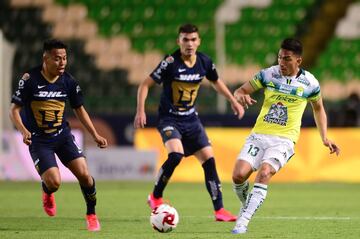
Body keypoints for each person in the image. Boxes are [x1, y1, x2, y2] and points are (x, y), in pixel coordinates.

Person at [134, 23, 245, 222]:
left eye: (193, 39)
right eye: (185, 39)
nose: (190, 44)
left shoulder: (204, 61)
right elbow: (145, 85)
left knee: (209, 161)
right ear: (179, 41)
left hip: (192, 120)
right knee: (176, 154)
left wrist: (233, 100)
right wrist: (140, 110)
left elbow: (216, 82)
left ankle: (219, 211)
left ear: (199, 41)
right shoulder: (170, 62)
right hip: (170, 119)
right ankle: (155, 196)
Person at [231, 38, 340, 234]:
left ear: (298, 60)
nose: (281, 62)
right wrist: (242, 96)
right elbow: (239, 91)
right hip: (259, 135)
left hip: (284, 140)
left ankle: (243, 222)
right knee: (238, 175)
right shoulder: (268, 74)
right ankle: (245, 204)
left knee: (264, 173)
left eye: (286, 59)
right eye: (280, 57)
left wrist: (324, 137)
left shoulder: (310, 83)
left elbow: (319, 109)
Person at [9, 39, 108, 232]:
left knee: (85, 176)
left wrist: (95, 134)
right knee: (54, 182)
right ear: (45, 59)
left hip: (62, 136)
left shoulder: (68, 81)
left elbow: (79, 109)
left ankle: (91, 215)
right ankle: (47, 191)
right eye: (57, 58)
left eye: (64, 58)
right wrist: (23, 130)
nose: (62, 62)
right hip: (39, 140)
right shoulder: (30, 80)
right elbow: (14, 109)